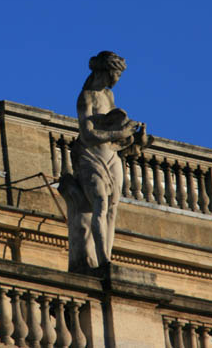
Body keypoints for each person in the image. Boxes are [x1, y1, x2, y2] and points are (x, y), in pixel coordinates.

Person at [59, 51, 146, 273]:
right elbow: (87, 134)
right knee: (100, 203)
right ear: (105, 71)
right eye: (115, 73)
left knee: (112, 211)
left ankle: (106, 256)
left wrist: (133, 138)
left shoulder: (108, 96)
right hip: (91, 157)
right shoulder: (86, 97)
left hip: (111, 156)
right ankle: (103, 260)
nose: (117, 78)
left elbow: (111, 128)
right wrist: (118, 133)